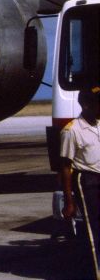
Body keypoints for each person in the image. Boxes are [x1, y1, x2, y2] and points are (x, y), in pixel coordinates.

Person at [60, 86, 100, 279]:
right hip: (88, 182)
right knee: (94, 230)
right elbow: (66, 168)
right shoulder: (72, 130)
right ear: (85, 105)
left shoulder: (99, 124)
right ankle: (96, 273)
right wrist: (69, 201)